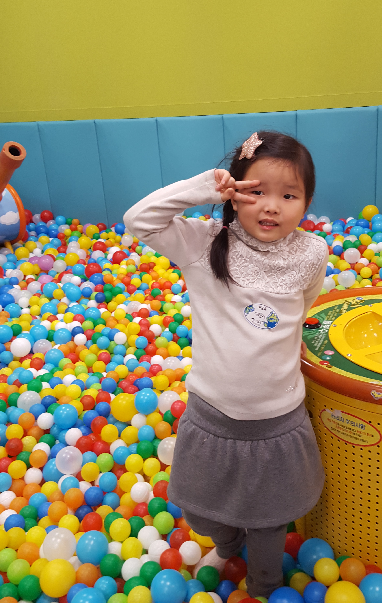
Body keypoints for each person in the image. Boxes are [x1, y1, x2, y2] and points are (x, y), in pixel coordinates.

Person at [123, 130, 328, 597]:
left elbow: (303, 306)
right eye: (257, 192)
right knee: (201, 511)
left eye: (288, 195)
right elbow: (139, 220)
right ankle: (229, 542)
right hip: (213, 415)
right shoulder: (203, 242)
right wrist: (203, 188)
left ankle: (265, 582)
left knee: (271, 519)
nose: (271, 207)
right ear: (234, 193)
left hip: (277, 420)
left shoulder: (311, 253)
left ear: (307, 202)